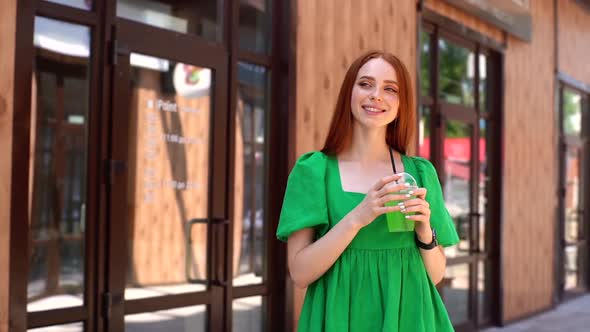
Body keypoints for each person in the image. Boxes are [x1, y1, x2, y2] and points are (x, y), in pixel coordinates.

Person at [276, 50, 460, 331]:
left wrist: (424, 232)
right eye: (365, 84)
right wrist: (358, 217)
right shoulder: (314, 171)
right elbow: (300, 273)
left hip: (410, 319)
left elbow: (435, 276)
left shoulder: (420, 173)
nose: (376, 95)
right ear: (348, 93)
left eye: (390, 89)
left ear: (402, 103)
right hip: (340, 318)